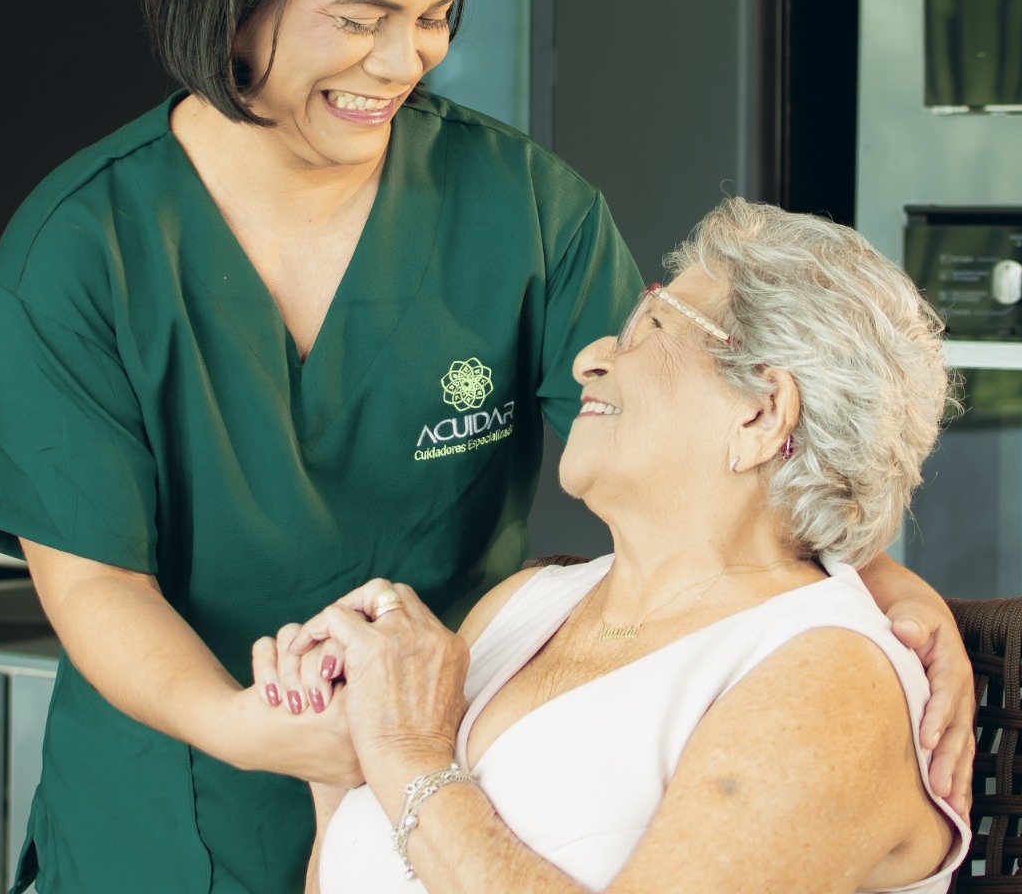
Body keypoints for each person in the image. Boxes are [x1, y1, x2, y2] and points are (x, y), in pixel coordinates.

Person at [0, 0, 973, 894]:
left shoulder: (520, 209)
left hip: (455, 807)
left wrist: (880, 589)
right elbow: (96, 587)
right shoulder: (82, 252)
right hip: (171, 822)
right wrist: (240, 726)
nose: (403, 63)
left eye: (434, 16)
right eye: (359, 19)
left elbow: (692, 433)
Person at [280, 199, 970, 894]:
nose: (588, 358)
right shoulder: (521, 605)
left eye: (653, 327)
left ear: (761, 413)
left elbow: (412, 773)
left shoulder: (833, 682)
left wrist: (407, 754)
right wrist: (340, 762)